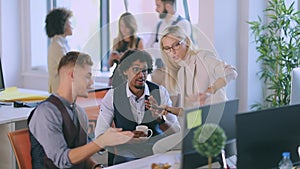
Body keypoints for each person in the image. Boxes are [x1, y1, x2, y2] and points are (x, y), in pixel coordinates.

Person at [28, 51, 134, 169]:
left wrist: (96, 167)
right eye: (88, 76)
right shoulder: (46, 113)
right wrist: (101, 142)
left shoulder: (79, 112)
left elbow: (82, 154)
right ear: (72, 75)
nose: (92, 83)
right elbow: (62, 161)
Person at [95, 49, 180, 165]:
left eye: (144, 71)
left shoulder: (160, 92)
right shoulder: (112, 96)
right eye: (135, 70)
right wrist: (126, 138)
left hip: (157, 148)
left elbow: (176, 133)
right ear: (125, 71)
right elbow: (100, 136)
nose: (141, 75)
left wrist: (160, 119)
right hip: (127, 151)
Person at [160, 25, 238, 108]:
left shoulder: (203, 57)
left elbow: (231, 71)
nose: (172, 52)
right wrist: (167, 110)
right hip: (198, 119)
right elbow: (186, 110)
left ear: (186, 41)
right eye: (167, 48)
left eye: (176, 45)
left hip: (218, 115)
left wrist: (210, 91)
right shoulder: (181, 72)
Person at [108, 12, 144, 87]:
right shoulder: (116, 41)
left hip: (131, 77)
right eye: (121, 26)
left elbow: (142, 63)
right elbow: (110, 65)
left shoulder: (138, 41)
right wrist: (112, 58)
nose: (123, 29)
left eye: (126, 26)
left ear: (131, 26)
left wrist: (125, 58)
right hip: (117, 75)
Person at [45, 8, 73, 93]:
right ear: (63, 25)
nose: (71, 25)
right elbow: (70, 67)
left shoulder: (62, 44)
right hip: (60, 93)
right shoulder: (57, 46)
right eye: (69, 22)